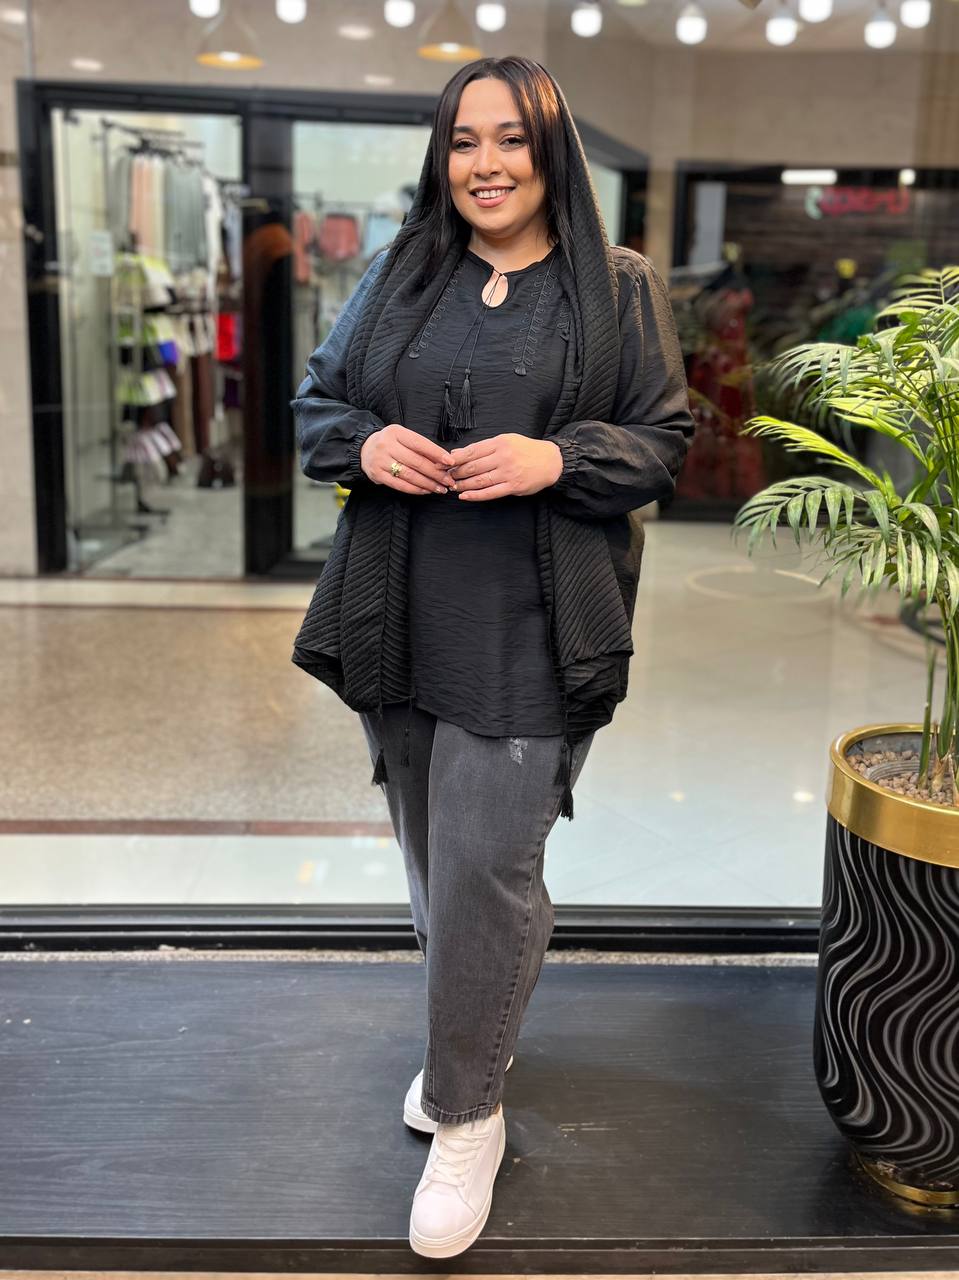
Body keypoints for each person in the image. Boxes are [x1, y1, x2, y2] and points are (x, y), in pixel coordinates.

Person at [291, 55, 694, 1260]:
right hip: (399, 613)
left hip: (532, 624)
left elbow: (662, 440)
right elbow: (317, 406)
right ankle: (478, 1032)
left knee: (482, 864)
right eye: (463, 140)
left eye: (510, 138)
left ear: (548, 151)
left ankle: (467, 1110)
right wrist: (367, 445)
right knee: (439, 864)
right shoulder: (402, 271)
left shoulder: (614, 285)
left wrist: (555, 458)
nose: (485, 163)